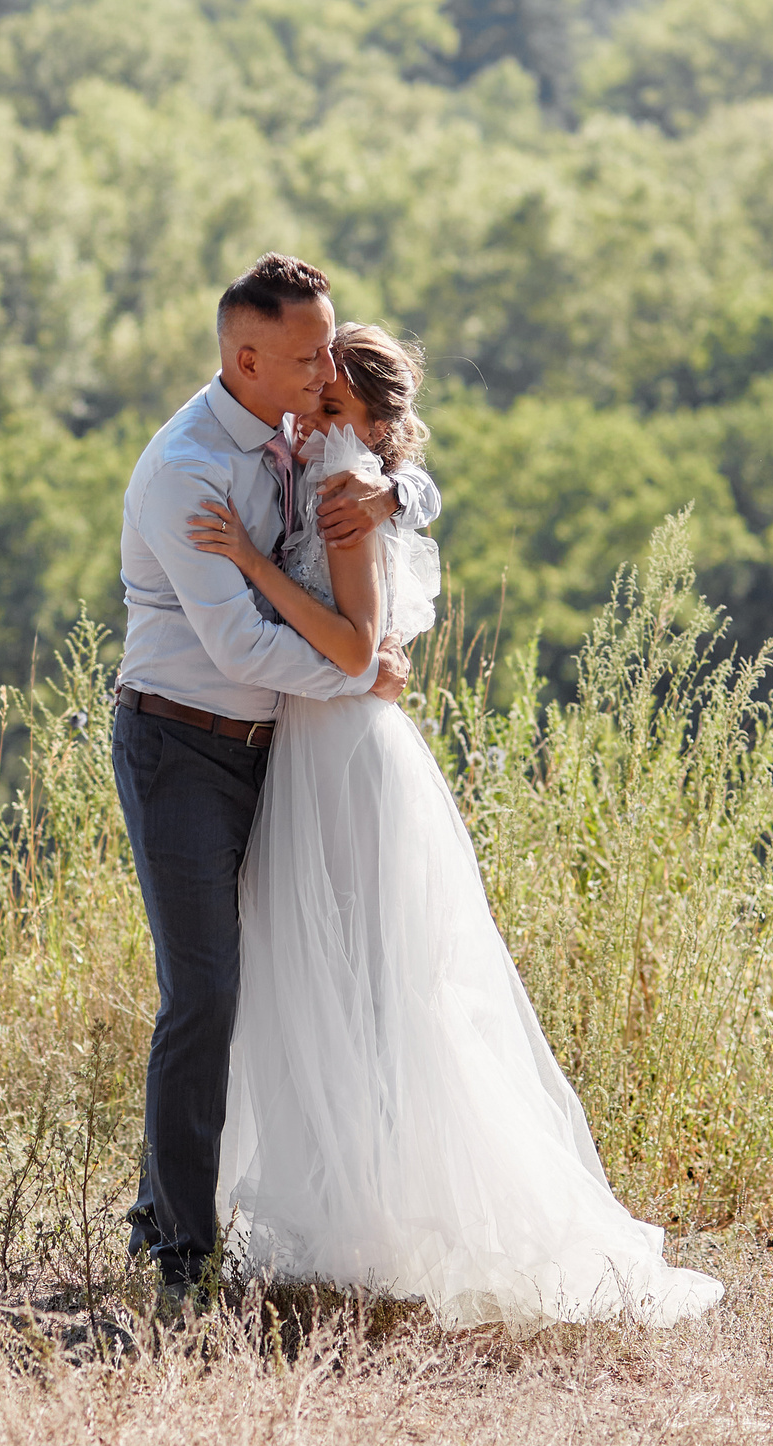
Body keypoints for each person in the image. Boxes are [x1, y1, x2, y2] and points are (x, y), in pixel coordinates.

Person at [185, 320, 724, 1332]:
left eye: (333, 402)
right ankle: (345, 1220)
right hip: (314, 750)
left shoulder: (344, 479)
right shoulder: (324, 464)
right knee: (321, 981)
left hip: (344, 754)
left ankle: (400, 1221)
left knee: (377, 986)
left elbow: (351, 646)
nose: (311, 413)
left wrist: (251, 562)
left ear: (372, 423)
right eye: (313, 392)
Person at [110, 253, 438, 1301]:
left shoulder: (305, 432)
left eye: (327, 357)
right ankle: (175, 1251)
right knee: (204, 993)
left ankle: (270, 1208)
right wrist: (356, 673)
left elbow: (394, 457)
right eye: (304, 359)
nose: (319, 372)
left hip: (285, 758)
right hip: (185, 745)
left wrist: (396, 499)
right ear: (244, 359)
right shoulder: (186, 472)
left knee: (306, 982)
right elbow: (243, 649)